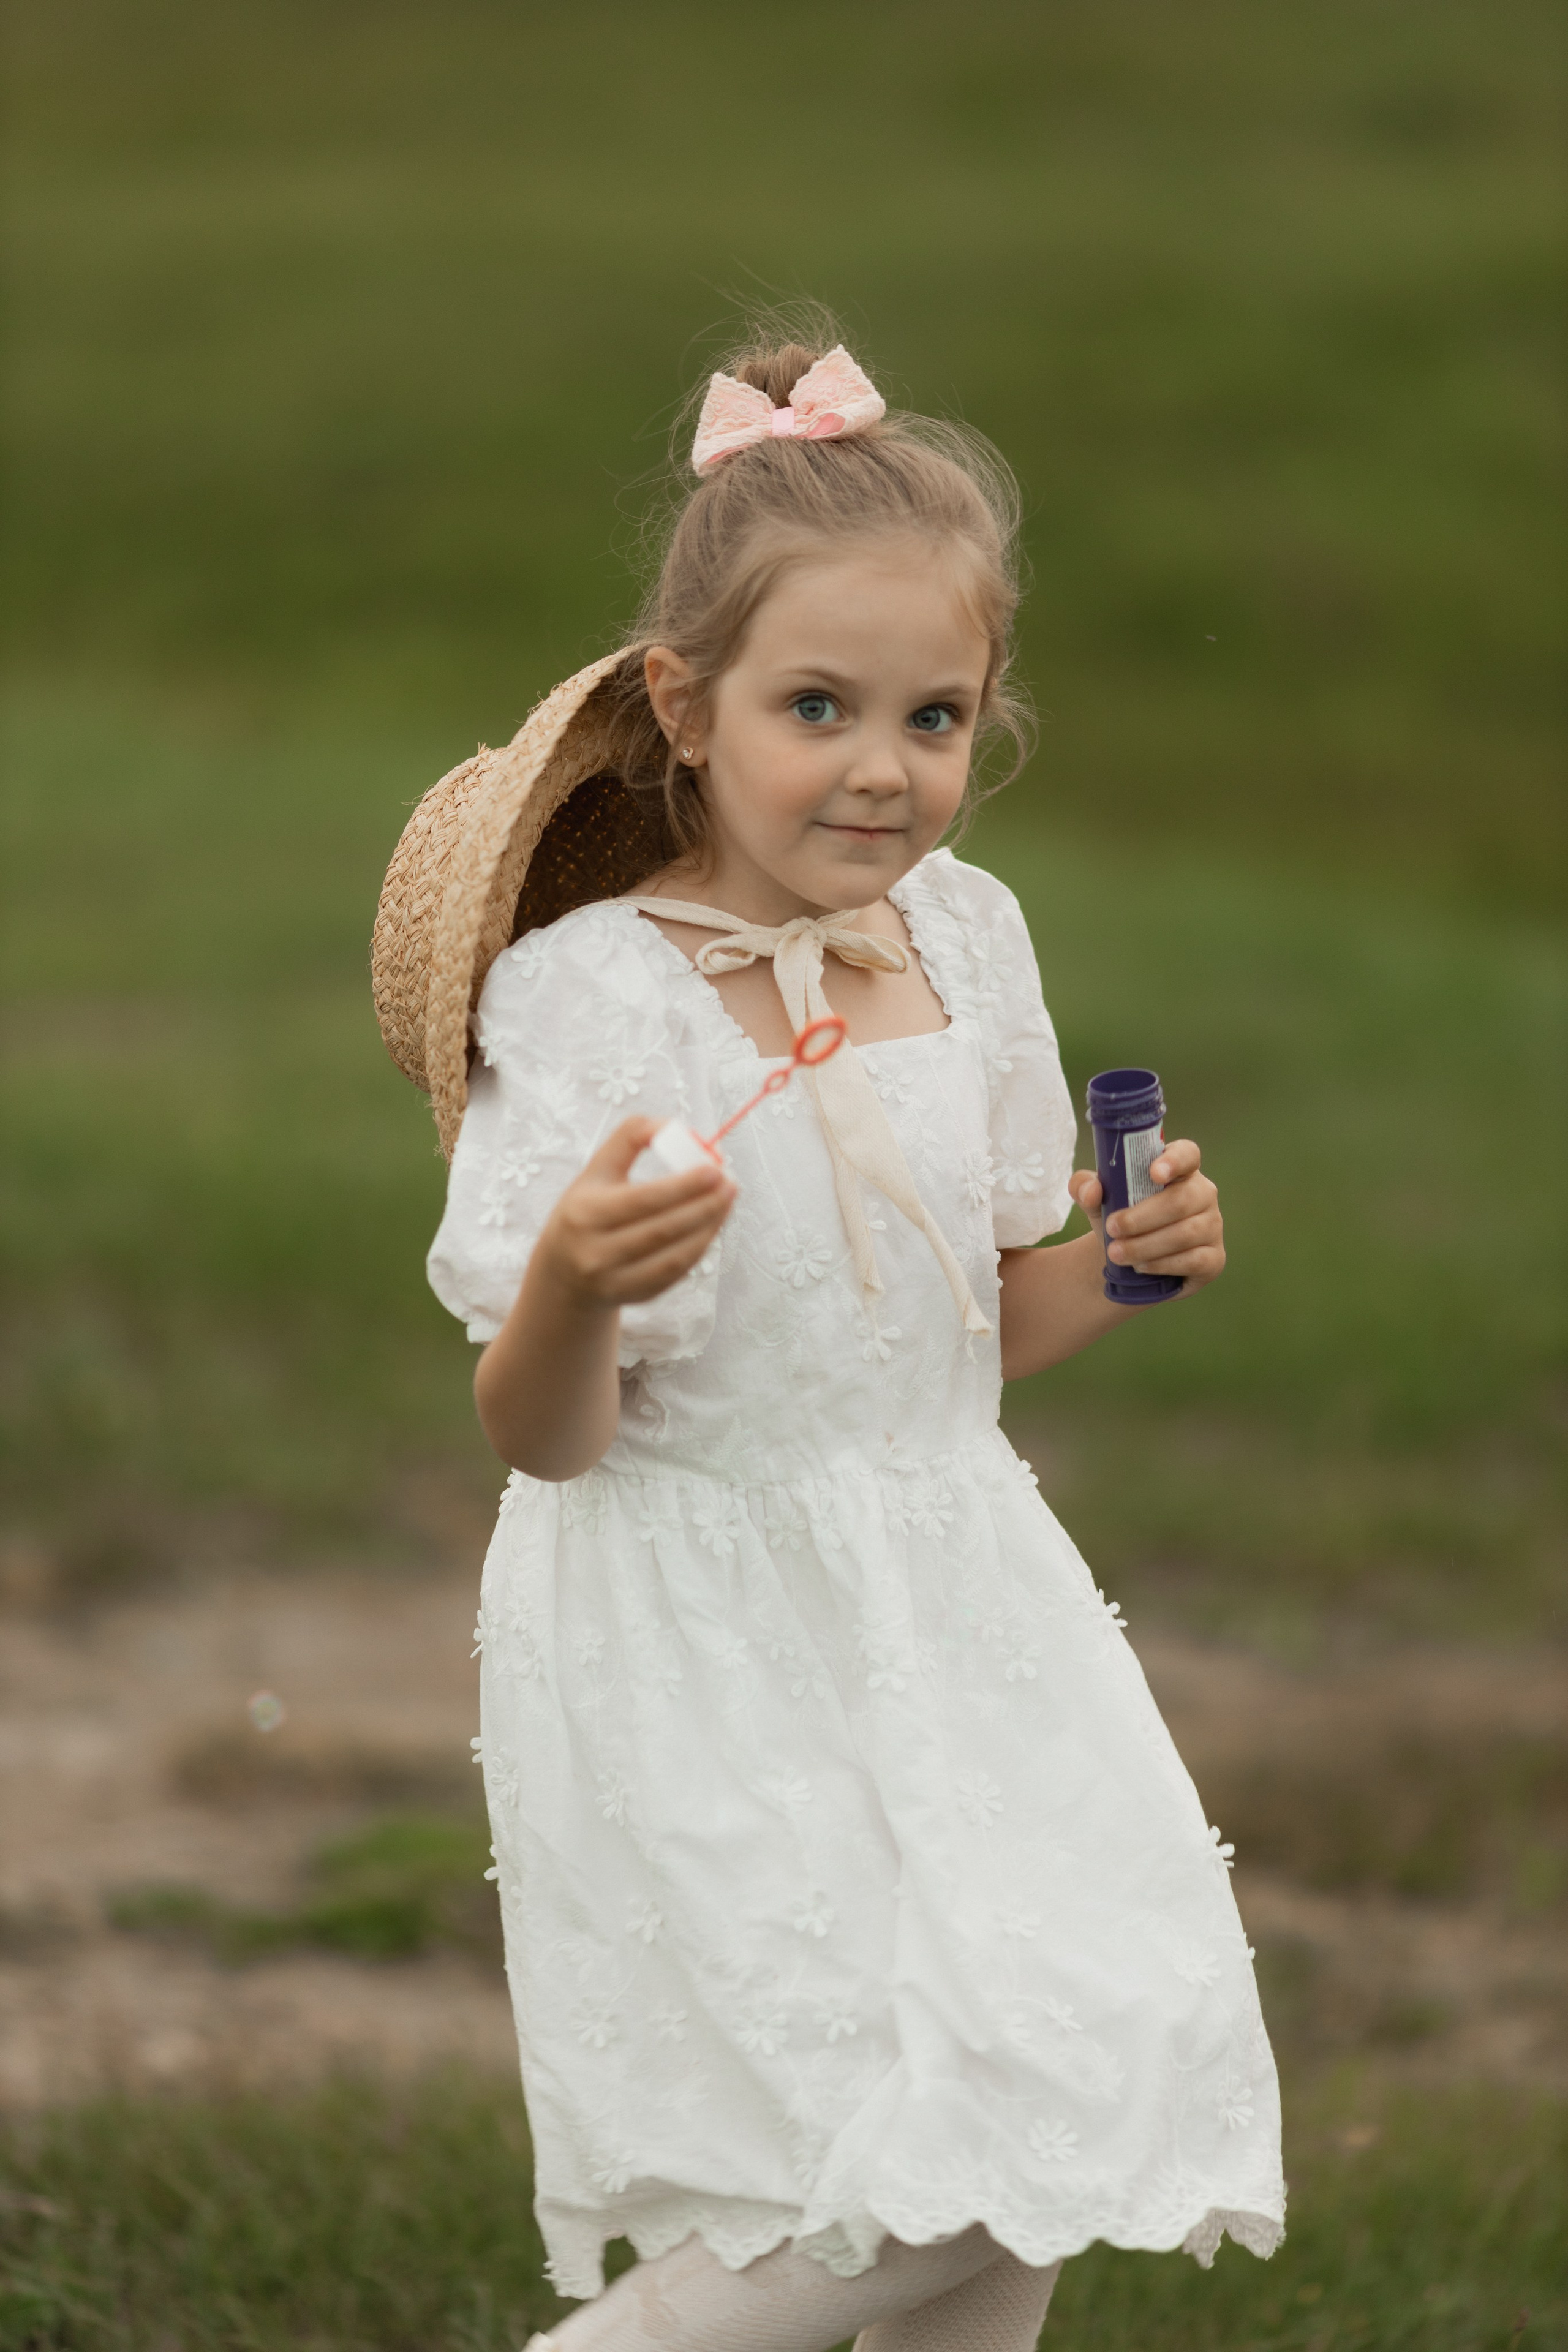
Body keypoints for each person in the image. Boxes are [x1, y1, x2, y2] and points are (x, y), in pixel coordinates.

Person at [372, 326, 1283, 2350]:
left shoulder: (969, 936)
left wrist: (1127, 1267)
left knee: (1052, 2079)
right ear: (686, 713)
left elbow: (979, 1324)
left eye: (936, 715)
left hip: (952, 1580)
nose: (886, 767)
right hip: (709, 1614)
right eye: (819, 708)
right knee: (926, 2152)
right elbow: (542, 1436)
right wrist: (579, 1285)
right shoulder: (594, 998)